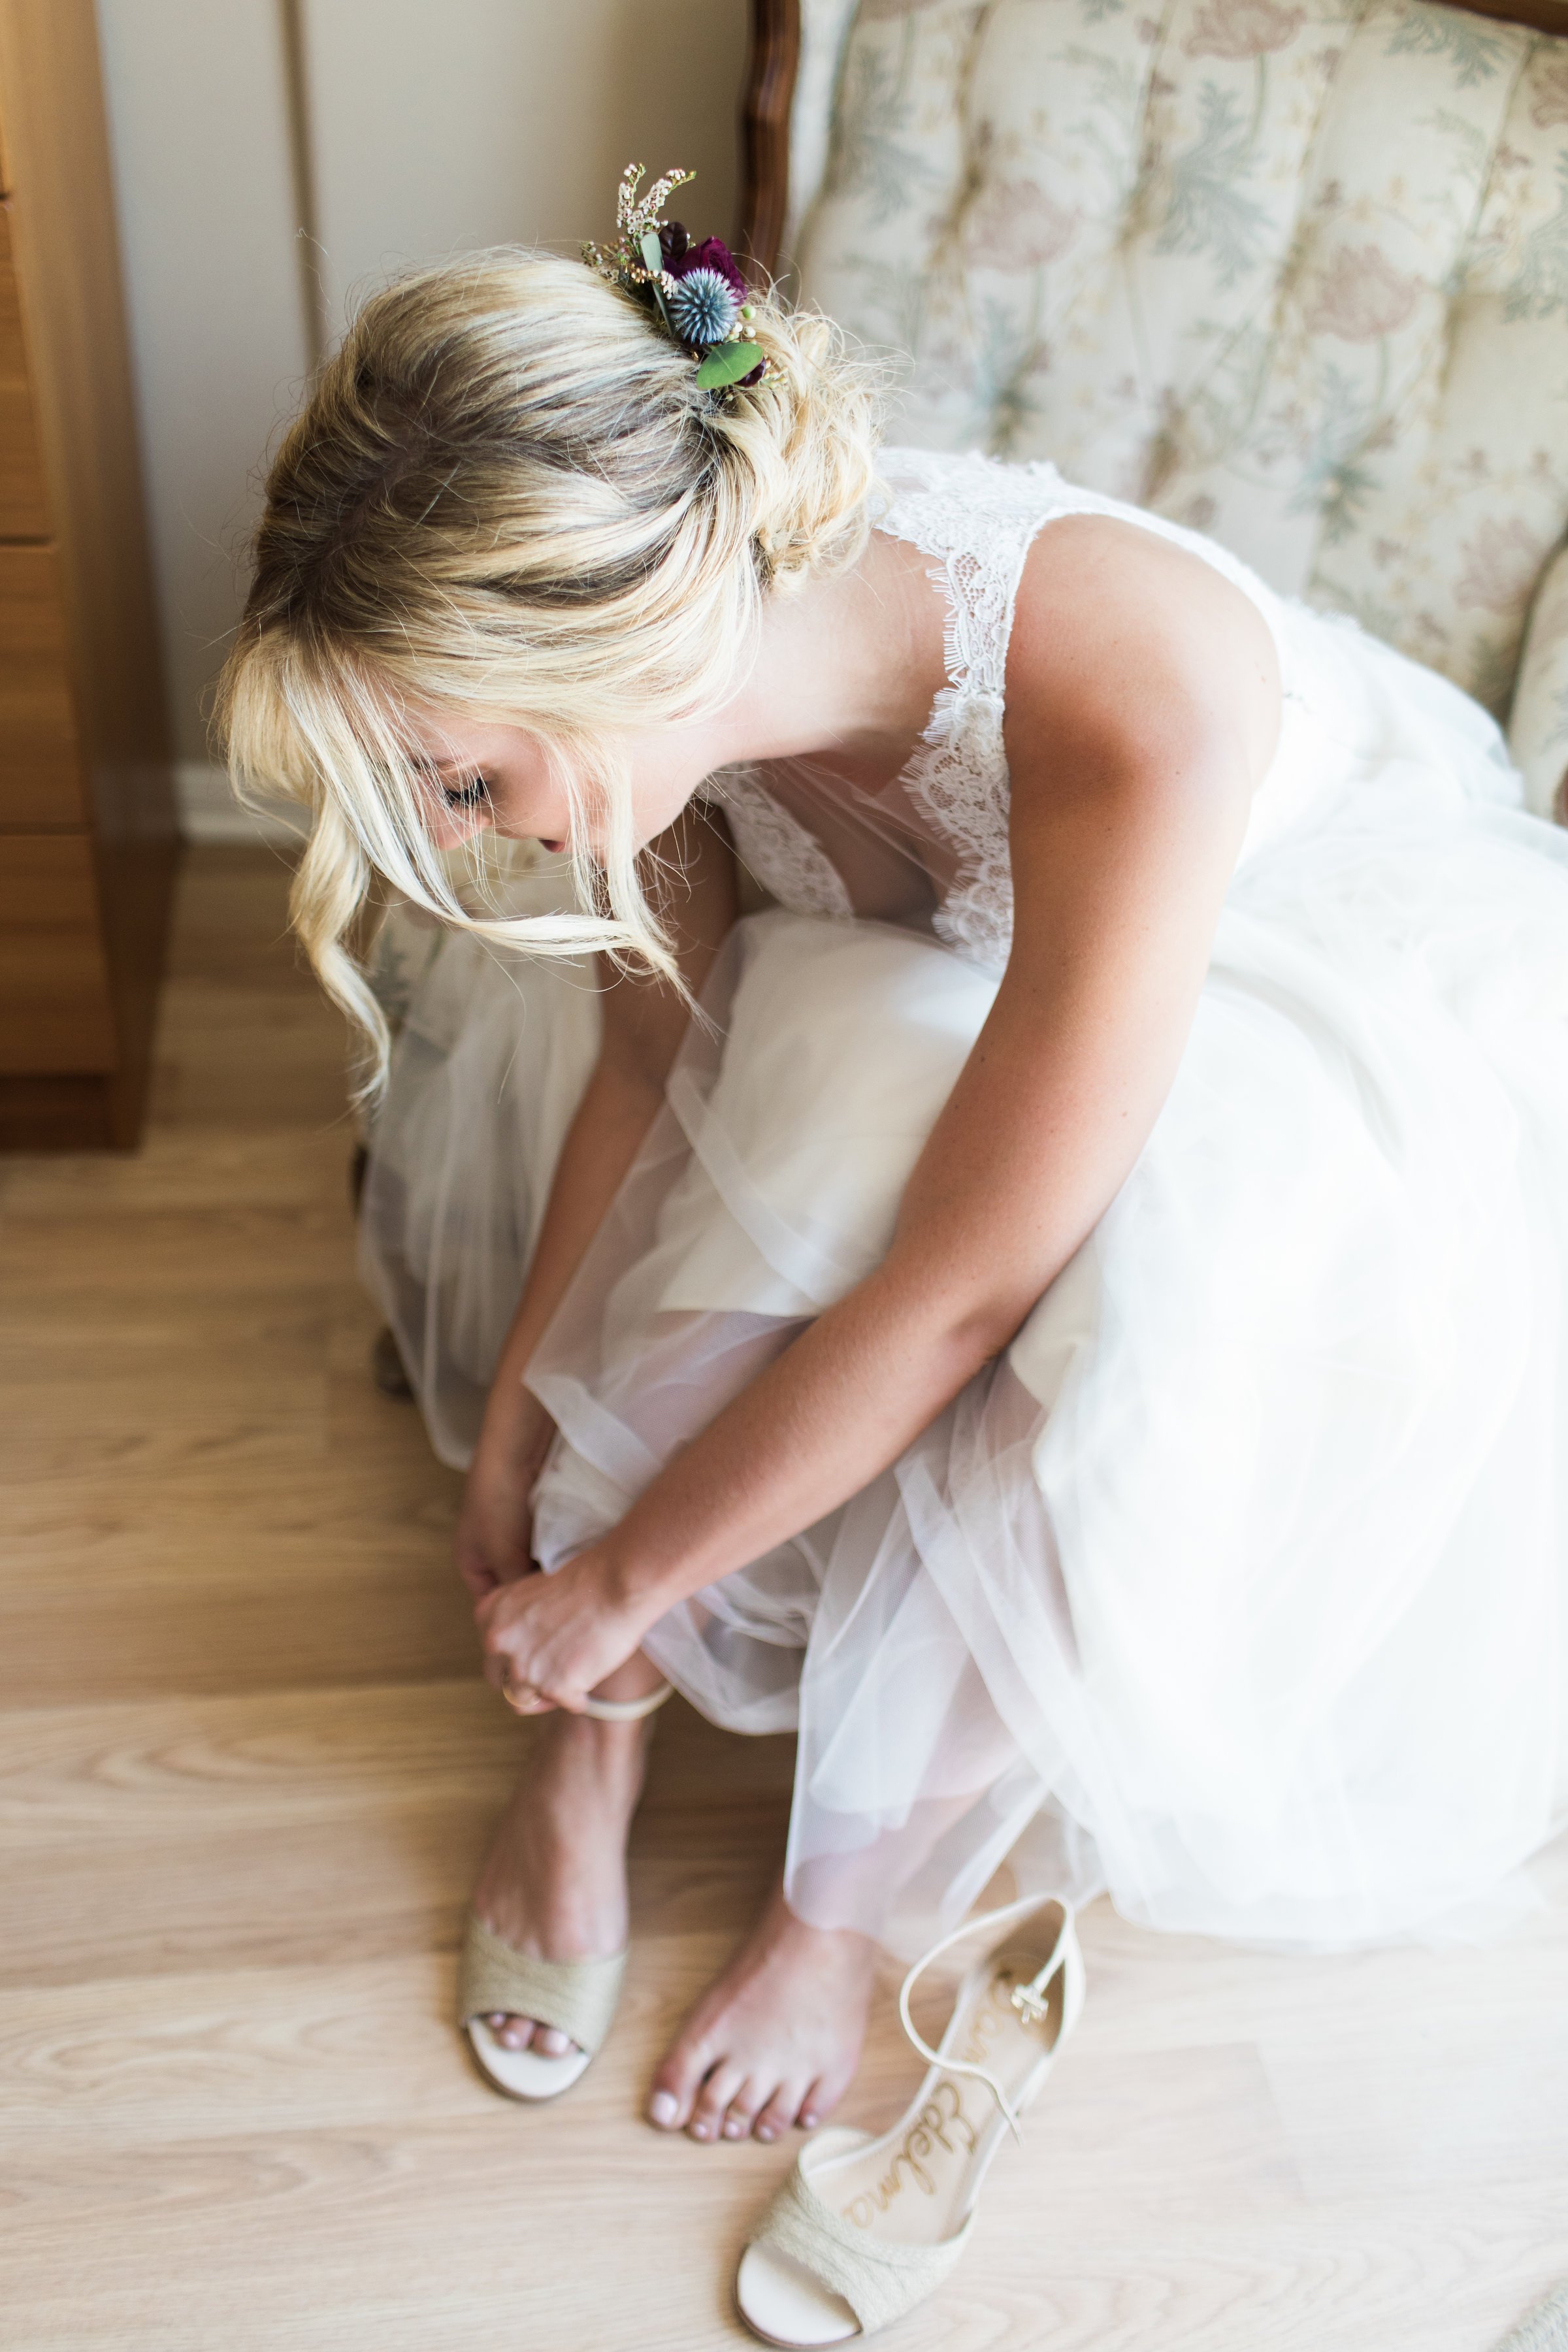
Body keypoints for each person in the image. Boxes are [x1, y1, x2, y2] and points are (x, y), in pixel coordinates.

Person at [221, 165, 1568, 2179]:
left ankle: (836, 1919)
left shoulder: (1132, 681)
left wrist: (638, 1571)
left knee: (1135, 1318)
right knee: (793, 1105)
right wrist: (517, 1427)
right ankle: (580, 1771)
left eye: (459, 773)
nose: (455, 826)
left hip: (1262, 935)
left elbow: (963, 1287)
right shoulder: (661, 736)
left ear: (615, 651)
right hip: (919, 971)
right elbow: (650, 1074)